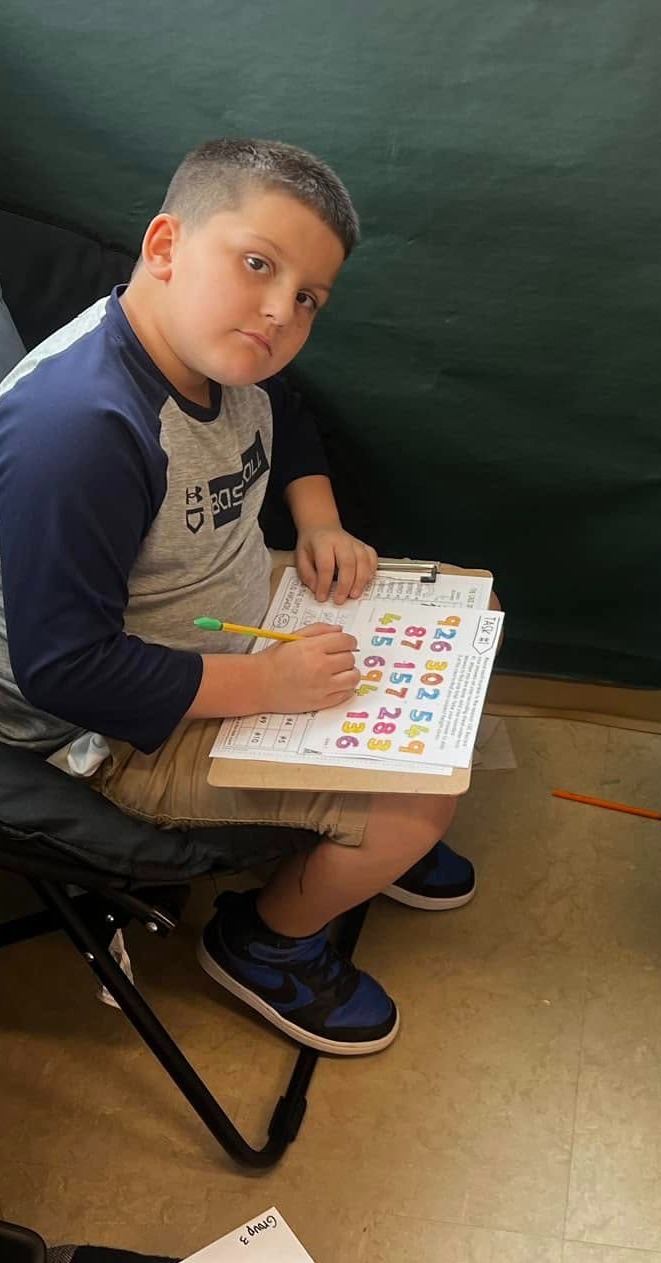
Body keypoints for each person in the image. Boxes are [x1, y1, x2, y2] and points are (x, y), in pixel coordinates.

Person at [0, 139, 481, 1056]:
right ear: (166, 244)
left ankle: (353, 844)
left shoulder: (214, 353)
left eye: (307, 298)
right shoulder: (83, 433)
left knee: (442, 626)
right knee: (416, 808)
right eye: (258, 264)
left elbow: (284, 414)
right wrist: (267, 688)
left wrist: (319, 519)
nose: (279, 312)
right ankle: (265, 942)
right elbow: (66, 670)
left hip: (228, 611)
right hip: (106, 727)